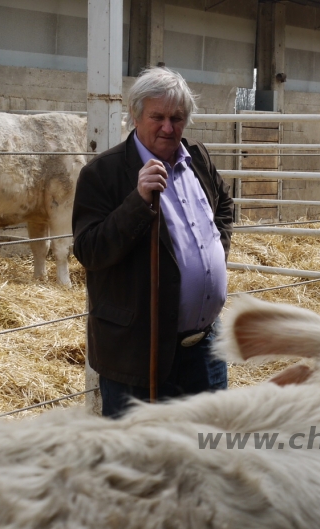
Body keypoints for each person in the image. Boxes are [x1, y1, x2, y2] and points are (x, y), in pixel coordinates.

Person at [73, 67, 234, 418]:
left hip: (206, 348)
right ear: (134, 115)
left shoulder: (198, 161)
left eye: (177, 118)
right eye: (157, 117)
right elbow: (89, 250)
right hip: (139, 353)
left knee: (209, 449)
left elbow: (224, 205)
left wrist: (216, 249)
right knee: (141, 460)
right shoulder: (104, 174)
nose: (168, 127)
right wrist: (139, 201)